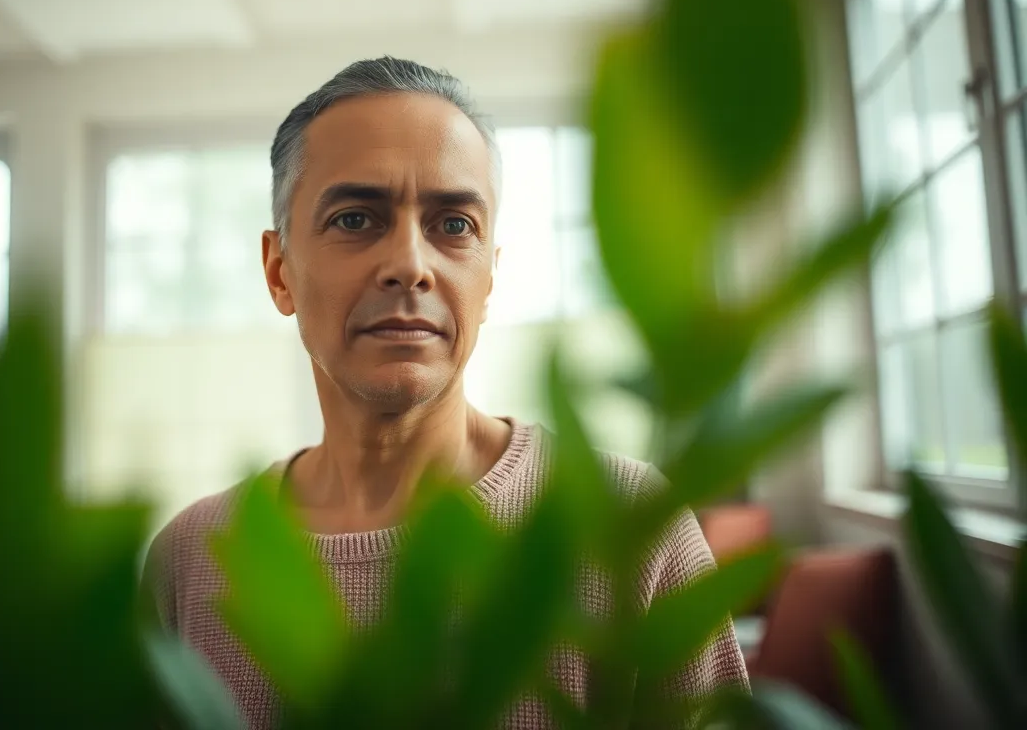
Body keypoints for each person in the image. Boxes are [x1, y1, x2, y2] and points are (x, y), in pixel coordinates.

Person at [142, 57, 748, 728]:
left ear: (489, 276)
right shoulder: (190, 558)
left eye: (453, 225)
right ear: (279, 271)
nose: (408, 264)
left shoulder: (633, 528)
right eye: (354, 219)